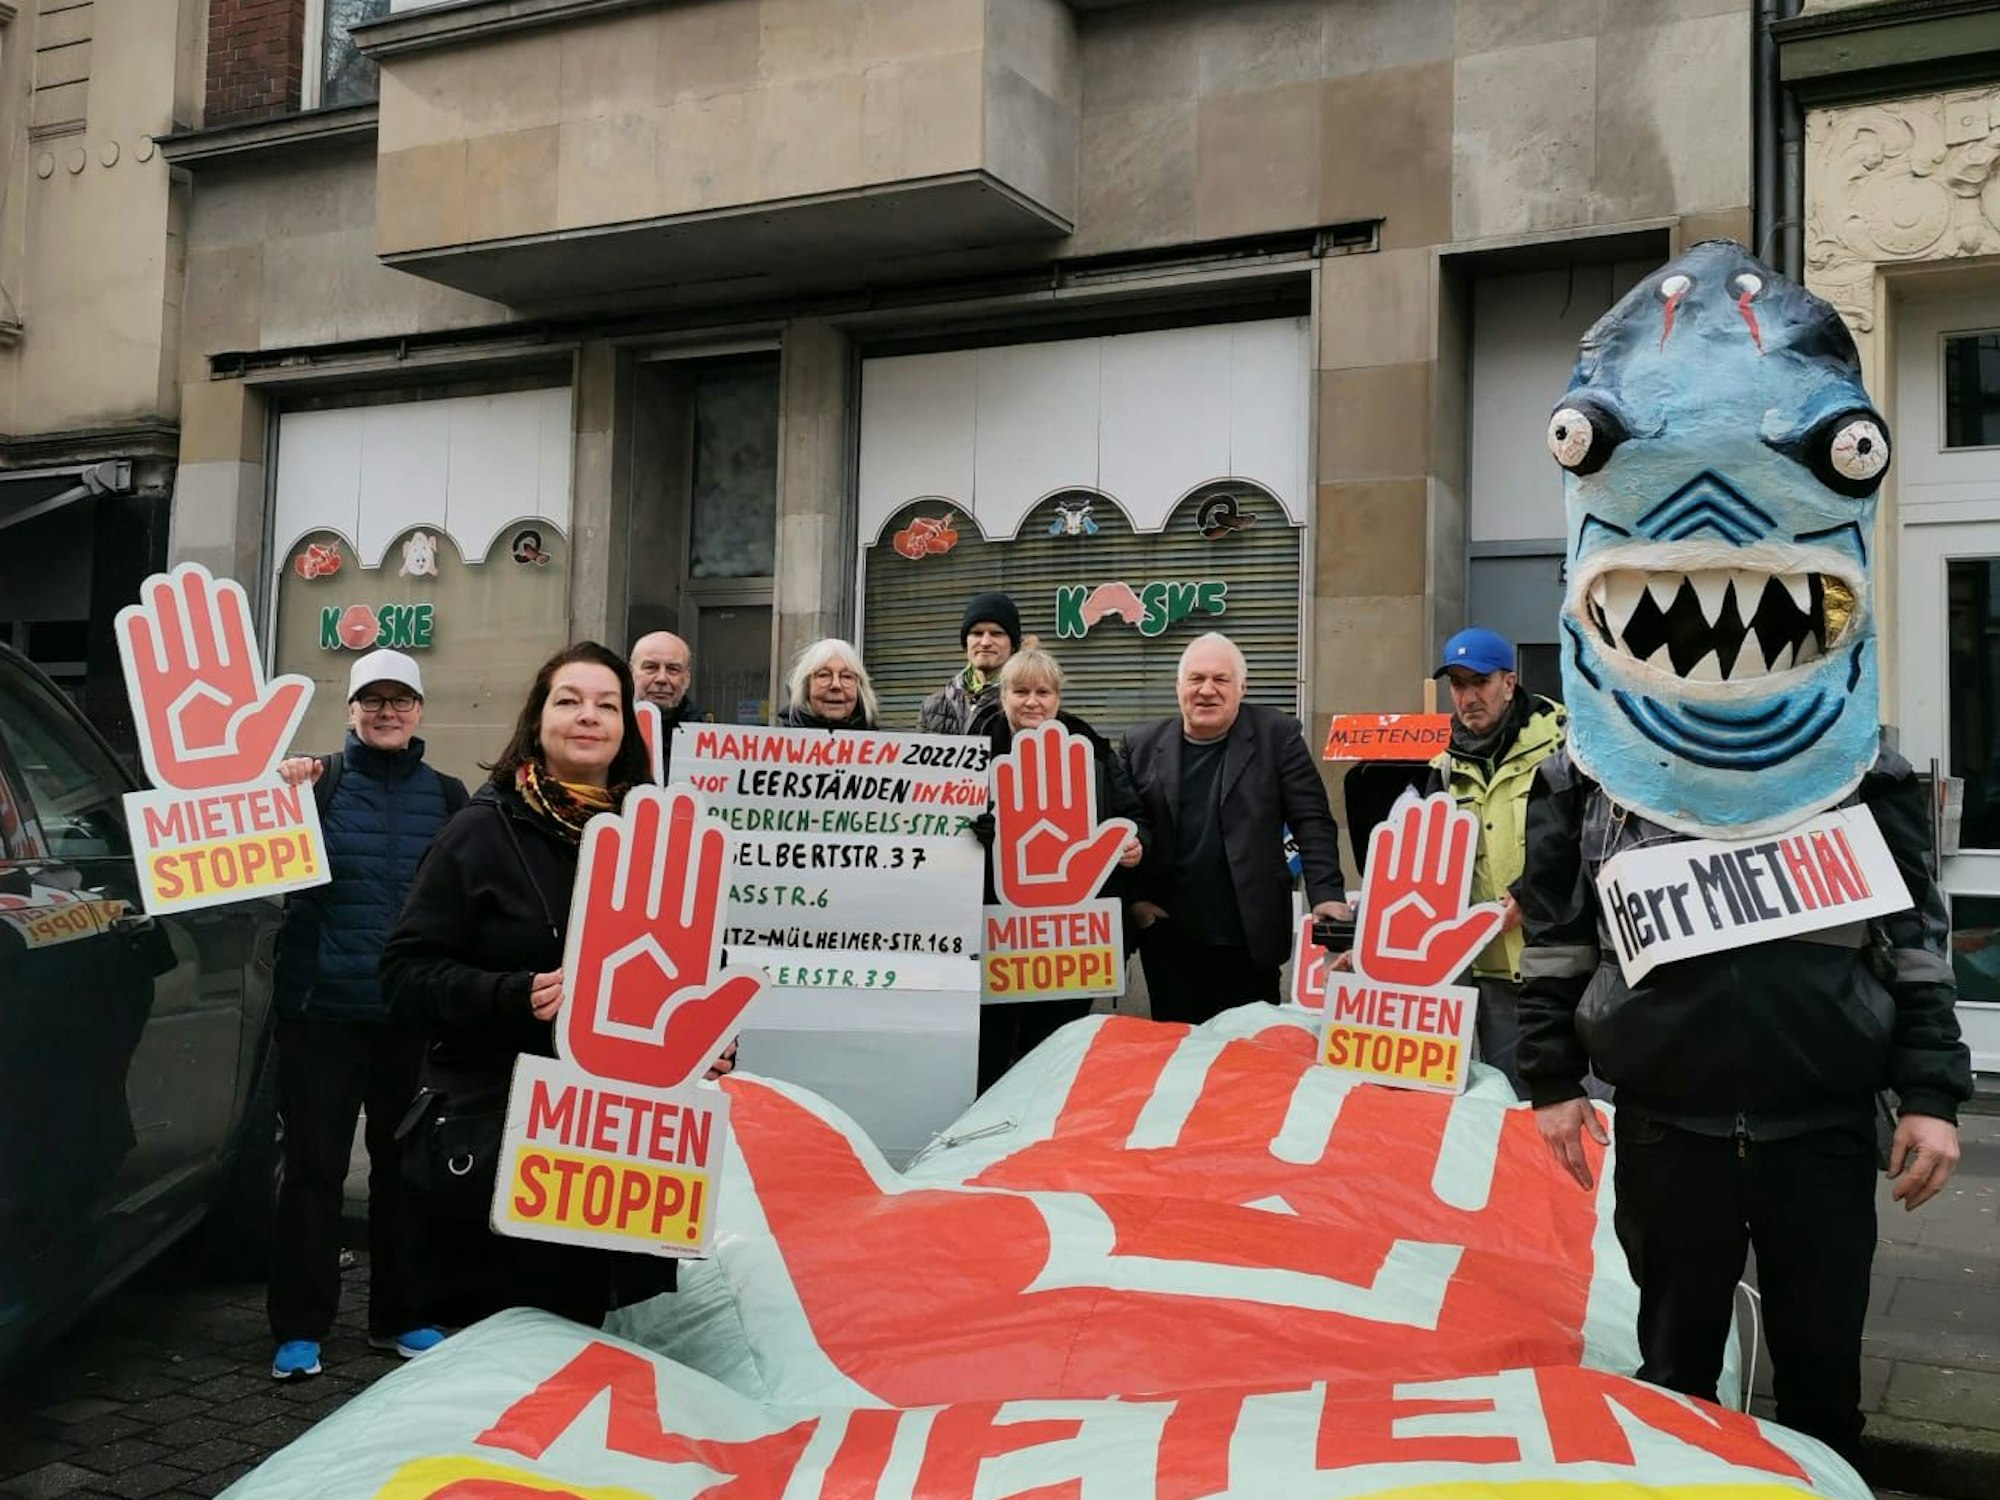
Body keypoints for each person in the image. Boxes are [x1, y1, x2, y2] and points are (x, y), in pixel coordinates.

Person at [1519, 748, 1970, 1461]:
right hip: (1666, 1125)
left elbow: (1915, 939)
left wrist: (1932, 1092)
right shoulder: (1585, 773)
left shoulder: (1859, 766)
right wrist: (1551, 1080)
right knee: (1674, 1382)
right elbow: (1556, 938)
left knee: (1822, 1391)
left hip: (1823, 1125)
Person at [380, 642, 736, 1330]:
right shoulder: (478, 834)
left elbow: (695, 975)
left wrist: (707, 1044)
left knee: (583, 1352)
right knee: (502, 1354)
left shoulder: (660, 841)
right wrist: (513, 994)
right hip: (500, 1138)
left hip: (613, 1154)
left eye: (607, 704)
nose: (588, 717)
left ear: (627, 728)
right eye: (569, 700)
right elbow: (403, 976)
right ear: (537, 719)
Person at [266, 649, 466, 1382]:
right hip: (322, 1014)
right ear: (350, 710)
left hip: (407, 1019)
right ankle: (300, 1328)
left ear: (419, 710)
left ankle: (401, 1318)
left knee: (403, 1172)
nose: (387, 712)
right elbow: (251, 849)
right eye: (372, 700)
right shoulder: (315, 786)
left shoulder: (448, 796)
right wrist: (278, 786)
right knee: (314, 1173)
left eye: (401, 700)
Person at [1120, 632, 1348, 1024]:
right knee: (1177, 1061)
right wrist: (1135, 903)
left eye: (1220, 680)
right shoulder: (1139, 744)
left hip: (1249, 940)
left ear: (1242, 687)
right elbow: (1124, 825)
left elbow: (1311, 820)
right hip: (1170, 942)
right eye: (1196, 679)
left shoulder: (1278, 735)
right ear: (1179, 687)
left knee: (1250, 1063)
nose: (1206, 690)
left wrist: (1326, 894)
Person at [975, 648, 1149, 1090]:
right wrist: (977, 831)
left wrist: (1135, 843)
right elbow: (945, 828)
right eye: (1021, 691)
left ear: (1057, 698)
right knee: (990, 1053)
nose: (1032, 702)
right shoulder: (974, 752)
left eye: (1043, 692)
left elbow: (1134, 815)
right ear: (1003, 696)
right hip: (996, 932)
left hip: (1070, 937)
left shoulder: (1092, 749)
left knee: (1054, 1052)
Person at [1423, 627, 1566, 1098]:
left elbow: (1587, 839)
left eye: (1479, 682)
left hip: (1560, 961)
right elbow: (1425, 868)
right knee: (1511, 1109)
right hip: (1490, 969)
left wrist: (1529, 895)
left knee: (1574, 1105)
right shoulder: (1444, 767)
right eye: (1458, 685)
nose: (1468, 697)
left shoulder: (1563, 744)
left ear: (1509, 682)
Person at [918, 592, 1019, 735]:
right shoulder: (933, 706)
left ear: (1013, 645)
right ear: (966, 644)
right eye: (977, 633)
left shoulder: (1027, 705)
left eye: (996, 633)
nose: (985, 643)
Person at [777, 638, 880, 731]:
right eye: (824, 675)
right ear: (807, 686)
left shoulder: (880, 747)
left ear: (859, 688)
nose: (836, 685)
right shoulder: (777, 745)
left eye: (846, 676)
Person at [630, 631, 703, 731]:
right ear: (631, 673)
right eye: (651, 667)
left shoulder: (704, 735)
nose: (661, 678)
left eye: (673, 669)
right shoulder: (609, 725)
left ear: (687, 679)